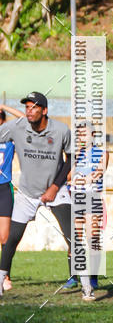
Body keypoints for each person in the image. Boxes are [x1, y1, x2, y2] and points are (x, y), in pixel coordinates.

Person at [0, 92, 72, 295]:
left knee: (72, 236)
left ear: (45, 110)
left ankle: (86, 285)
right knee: (11, 239)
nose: (29, 111)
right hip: (27, 193)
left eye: (34, 107)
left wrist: (56, 186)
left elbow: (72, 157)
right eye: (27, 107)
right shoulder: (17, 127)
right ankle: (2, 281)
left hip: (55, 191)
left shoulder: (60, 130)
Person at [68, 123, 109, 302]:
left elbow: (98, 174)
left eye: (84, 134)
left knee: (92, 238)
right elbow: (69, 176)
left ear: (93, 134)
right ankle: (76, 277)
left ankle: (93, 276)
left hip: (92, 197)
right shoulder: (76, 155)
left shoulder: (103, 152)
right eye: (79, 134)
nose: (81, 137)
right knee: (75, 239)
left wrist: (82, 178)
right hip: (76, 197)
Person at [0, 103, 26, 291]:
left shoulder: (10, 137)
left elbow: (24, 119)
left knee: (5, 236)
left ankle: (5, 275)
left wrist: (2, 105)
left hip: (3, 189)